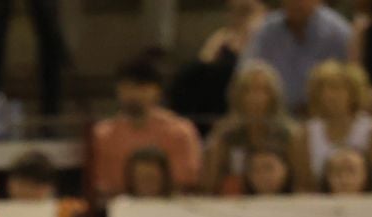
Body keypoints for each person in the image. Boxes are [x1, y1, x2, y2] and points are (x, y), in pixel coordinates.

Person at [91, 51, 202, 197]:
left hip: (169, 207)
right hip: (117, 207)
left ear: (157, 91)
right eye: (126, 87)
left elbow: (186, 181)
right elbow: (97, 183)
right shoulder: (102, 135)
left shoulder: (180, 131)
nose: (133, 94)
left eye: (141, 87)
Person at [239, 0, 353, 114]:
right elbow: (244, 76)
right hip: (276, 118)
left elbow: (353, 83)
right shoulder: (266, 32)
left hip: (324, 118)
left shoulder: (338, 34)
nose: (296, 2)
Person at [202, 62, 299, 194]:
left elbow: (301, 183)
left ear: (274, 96)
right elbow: (209, 185)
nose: (256, 98)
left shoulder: (288, 134)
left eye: (263, 90)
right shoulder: (226, 134)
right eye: (249, 90)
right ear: (238, 95)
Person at [168, 0, 266, 128]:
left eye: (245, 11)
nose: (238, 16)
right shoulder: (221, 37)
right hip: (221, 96)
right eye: (233, 11)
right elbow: (202, 65)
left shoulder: (266, 36)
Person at [294, 59, 372, 191]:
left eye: (337, 89)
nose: (331, 95)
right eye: (325, 89)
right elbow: (303, 183)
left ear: (354, 93)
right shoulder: (304, 134)